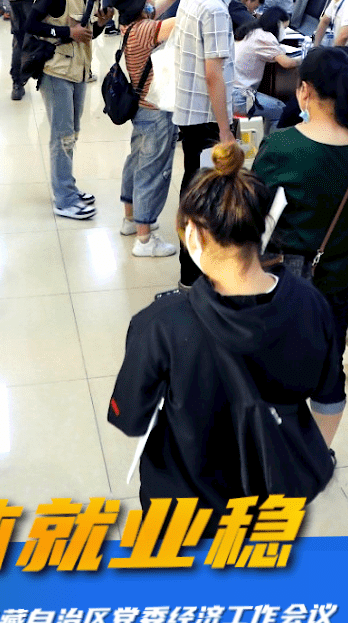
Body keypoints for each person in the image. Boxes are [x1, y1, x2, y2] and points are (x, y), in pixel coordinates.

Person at [107, 142, 341, 526]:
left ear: (194, 236)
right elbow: (330, 398)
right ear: (261, 227)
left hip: (182, 512)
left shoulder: (160, 325)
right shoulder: (311, 305)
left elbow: (131, 419)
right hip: (269, 508)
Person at [255, 47, 348, 376]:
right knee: (330, 366)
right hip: (341, 281)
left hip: (291, 279)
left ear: (305, 90)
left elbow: (253, 212)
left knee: (282, 364)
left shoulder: (282, 146)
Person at [172, 0, 254, 288]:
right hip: (207, 120)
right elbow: (213, 74)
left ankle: (190, 274)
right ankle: (192, 278)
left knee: (193, 191)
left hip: (190, 112)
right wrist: (224, 131)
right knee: (204, 200)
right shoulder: (217, 10)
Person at [112, 0, 203, 256]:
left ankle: (130, 220)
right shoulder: (146, 30)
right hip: (156, 113)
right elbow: (185, 18)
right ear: (139, 2)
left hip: (141, 109)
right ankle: (145, 240)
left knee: (136, 163)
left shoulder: (131, 24)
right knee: (153, 172)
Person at [24, 0, 111, 217]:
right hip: (56, 69)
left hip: (80, 69)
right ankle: (64, 199)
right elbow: (31, 24)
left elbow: (88, 34)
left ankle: (67, 186)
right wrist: (66, 32)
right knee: (61, 136)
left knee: (71, 133)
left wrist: (100, 24)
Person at [232, 5, 295, 135]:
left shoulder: (251, 31)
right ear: (278, 24)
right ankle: (271, 144)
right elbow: (287, 63)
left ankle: (266, 141)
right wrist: (303, 58)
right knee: (280, 110)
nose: (284, 31)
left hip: (228, 91)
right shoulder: (265, 37)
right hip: (240, 97)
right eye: (284, 28)